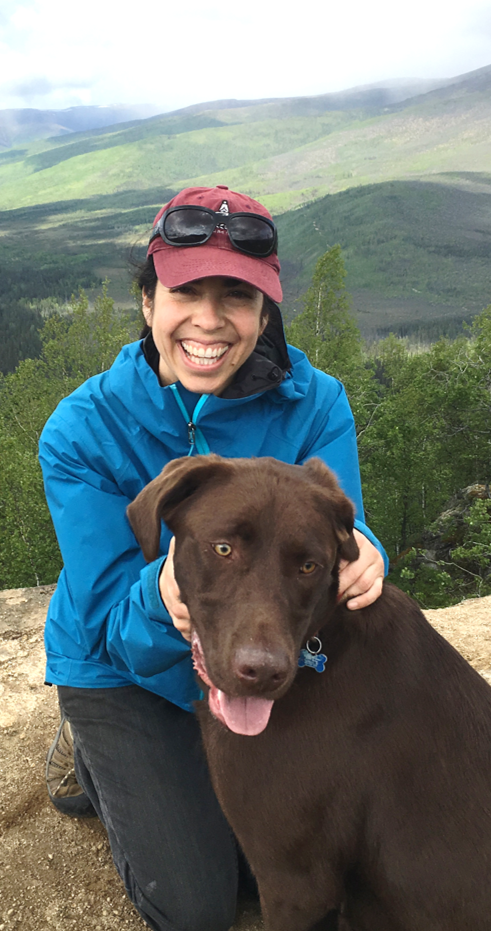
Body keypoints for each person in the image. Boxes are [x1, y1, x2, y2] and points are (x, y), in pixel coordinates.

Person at [41, 184, 387, 931]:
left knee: (307, 871)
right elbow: (107, 620)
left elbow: (343, 525)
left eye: (236, 296)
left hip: (258, 649)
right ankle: (99, 758)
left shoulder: (315, 403)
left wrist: (365, 558)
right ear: (147, 303)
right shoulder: (81, 431)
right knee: (200, 904)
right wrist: (163, 596)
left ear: (265, 314)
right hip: (119, 668)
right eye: (185, 291)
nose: (209, 319)